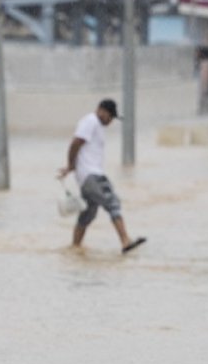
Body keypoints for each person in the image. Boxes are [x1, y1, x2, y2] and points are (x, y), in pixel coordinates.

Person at [57, 99, 146, 254]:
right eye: (110, 117)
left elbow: (79, 146)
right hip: (93, 176)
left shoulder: (93, 124)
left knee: (87, 214)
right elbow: (75, 143)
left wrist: (71, 168)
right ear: (102, 111)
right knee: (113, 203)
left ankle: (75, 249)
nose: (111, 121)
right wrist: (71, 165)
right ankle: (125, 241)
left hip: (86, 178)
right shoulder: (90, 121)